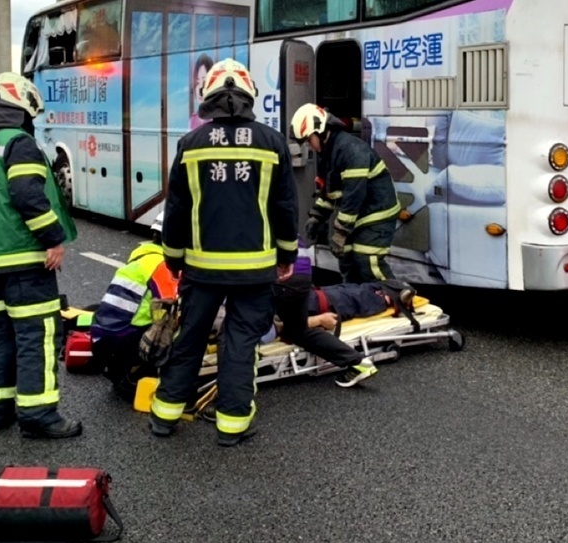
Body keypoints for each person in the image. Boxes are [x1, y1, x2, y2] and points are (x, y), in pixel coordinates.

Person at [150, 58, 298, 446]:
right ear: (249, 96)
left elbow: (177, 211)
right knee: (241, 341)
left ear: (208, 97)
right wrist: (287, 255)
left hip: (200, 270)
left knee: (191, 337)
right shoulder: (271, 142)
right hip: (256, 270)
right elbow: (285, 207)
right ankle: (232, 424)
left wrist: (173, 259)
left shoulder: (191, 144)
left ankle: (165, 414)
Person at [0, 71, 82, 439]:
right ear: (22, 105)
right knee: (38, 333)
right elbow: (27, 196)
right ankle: (38, 414)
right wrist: (53, 239)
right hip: (24, 256)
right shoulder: (19, 142)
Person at [290, 103, 416, 310]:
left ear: (320, 131)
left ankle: (398, 296)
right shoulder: (329, 152)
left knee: (367, 258)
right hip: (360, 214)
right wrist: (317, 216)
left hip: (377, 212)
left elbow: (353, 195)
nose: (309, 146)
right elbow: (330, 191)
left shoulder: (351, 150)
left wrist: (340, 231)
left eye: (308, 140)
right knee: (345, 256)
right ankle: (354, 298)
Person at [273, 250, 378, 388]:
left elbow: (274, 327)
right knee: (298, 329)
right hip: (300, 270)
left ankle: (356, 361)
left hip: (276, 274)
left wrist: (319, 320)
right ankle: (358, 362)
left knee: (293, 329)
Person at [89, 240, 178, 399]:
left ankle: (121, 371)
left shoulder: (141, 257)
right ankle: (134, 379)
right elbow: (172, 305)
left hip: (101, 338)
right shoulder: (162, 264)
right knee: (174, 329)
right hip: (125, 339)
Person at [189, 53, 213, 130]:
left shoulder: (218, 118)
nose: (200, 88)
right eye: (197, 82)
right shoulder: (193, 120)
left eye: (204, 81)